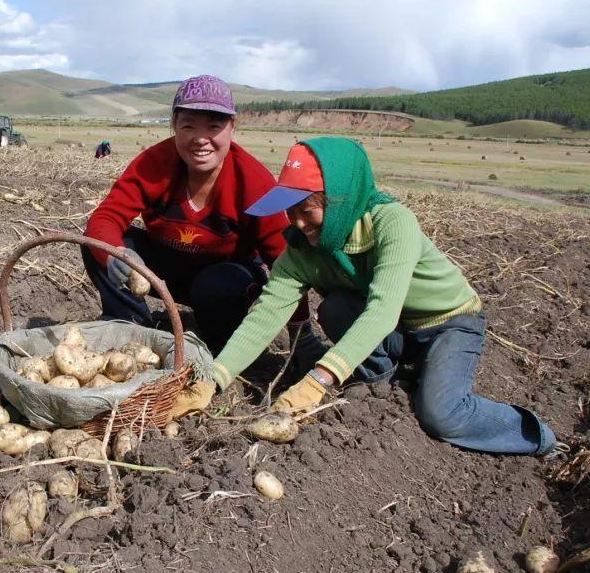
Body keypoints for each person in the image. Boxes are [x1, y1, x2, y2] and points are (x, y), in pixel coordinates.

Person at [192, 137, 558, 456]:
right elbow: (266, 314)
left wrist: (320, 380)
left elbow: (383, 309)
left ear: (341, 201)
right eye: (291, 211)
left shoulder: (392, 222)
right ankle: (382, 379)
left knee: (442, 415)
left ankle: (537, 436)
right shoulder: (302, 251)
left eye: (307, 209)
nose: (298, 223)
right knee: (336, 310)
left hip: (448, 324)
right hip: (396, 331)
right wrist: (214, 378)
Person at [83, 74, 306, 355]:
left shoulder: (252, 180)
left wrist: (302, 330)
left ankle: (218, 346)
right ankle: (132, 329)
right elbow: (105, 219)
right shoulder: (154, 164)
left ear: (231, 128)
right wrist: (117, 254)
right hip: (168, 269)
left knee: (216, 287)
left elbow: (284, 259)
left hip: (227, 278)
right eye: (188, 125)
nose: (201, 140)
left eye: (214, 126)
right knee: (99, 245)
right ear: (174, 125)